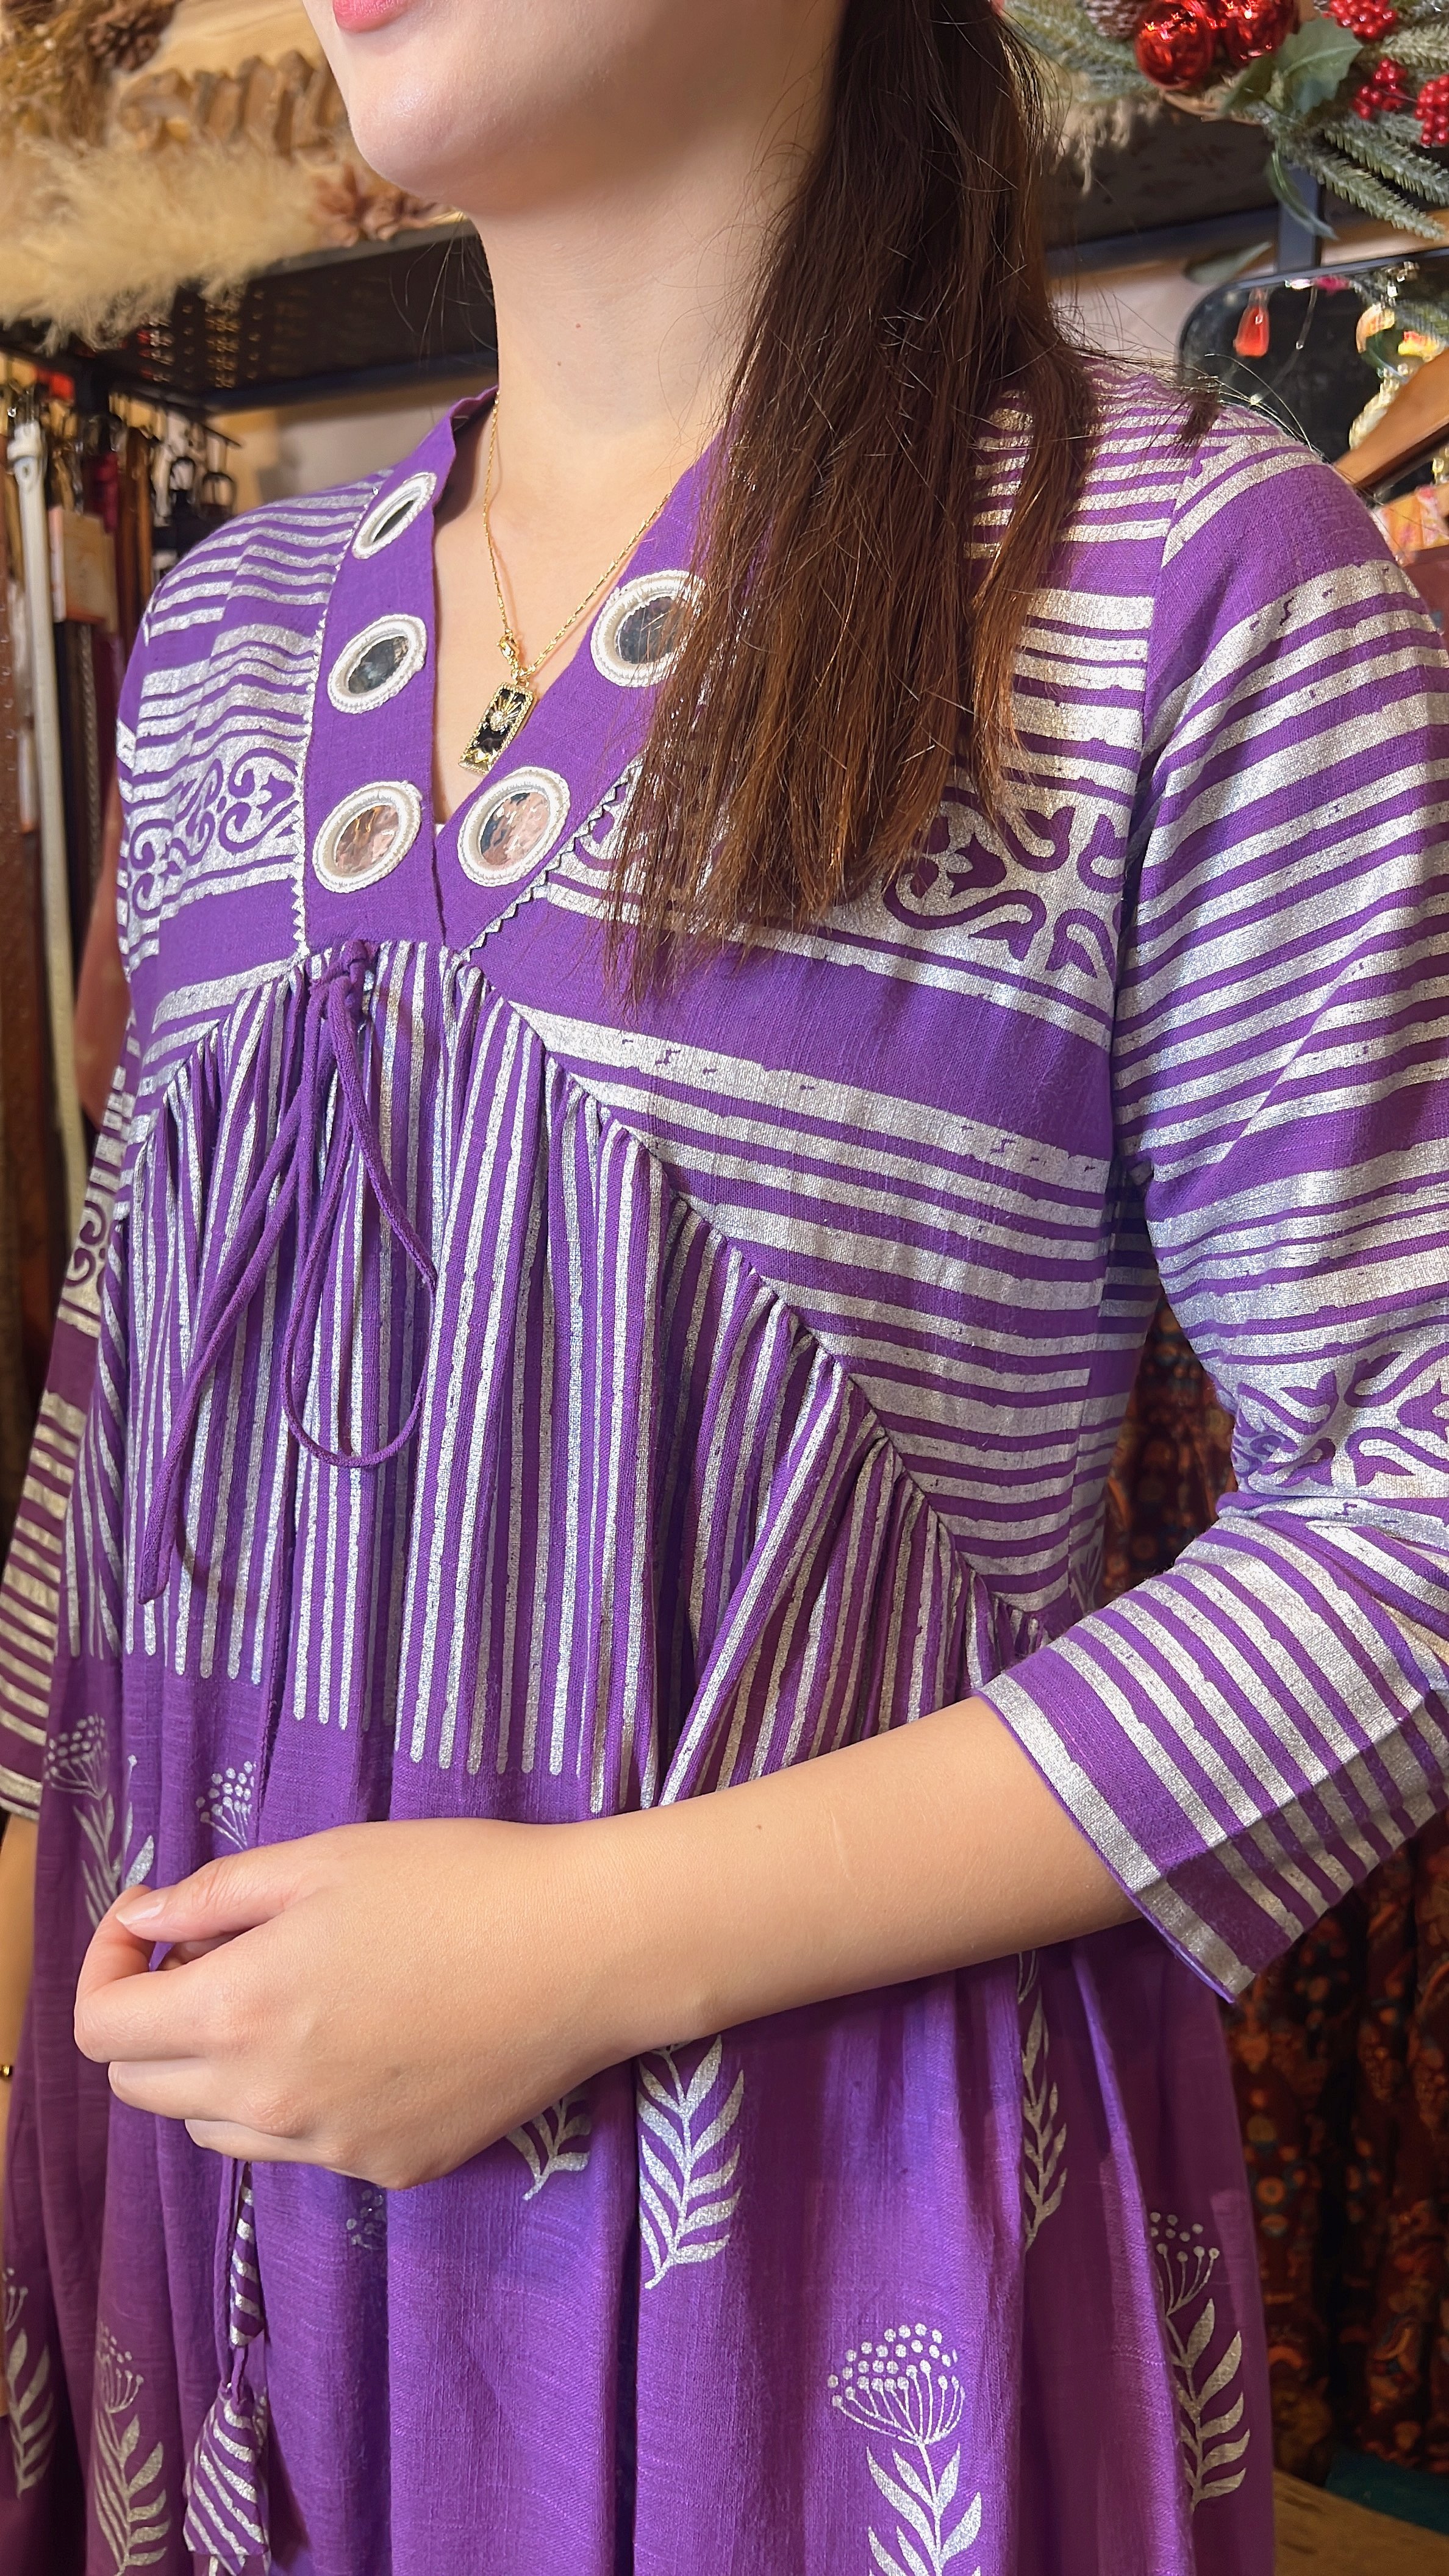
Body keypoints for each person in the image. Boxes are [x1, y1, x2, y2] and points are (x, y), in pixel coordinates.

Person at [0, 2, 1445, 2569]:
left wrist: (589, 1953)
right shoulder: (220, 638)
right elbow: (116, 1417)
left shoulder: (1181, 590)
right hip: (202, 2238)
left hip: (805, 2293)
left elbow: (1417, 1511)